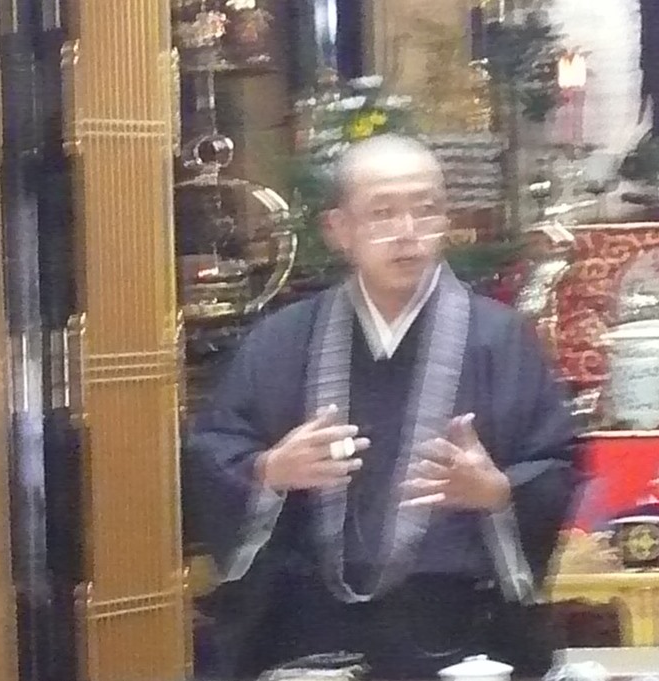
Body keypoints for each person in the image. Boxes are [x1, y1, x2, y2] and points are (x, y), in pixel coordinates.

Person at [184, 134, 585, 680]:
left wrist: (496, 492)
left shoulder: (501, 338)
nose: (407, 232)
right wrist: (270, 471)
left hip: (459, 622)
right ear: (338, 229)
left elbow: (555, 464)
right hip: (309, 629)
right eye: (382, 213)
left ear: (447, 221)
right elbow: (213, 452)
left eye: (426, 210)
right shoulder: (280, 340)